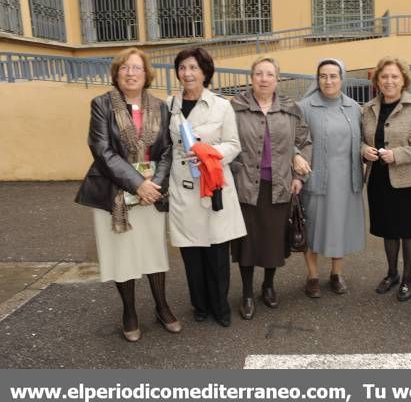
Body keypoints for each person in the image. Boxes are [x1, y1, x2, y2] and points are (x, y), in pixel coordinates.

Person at [75, 47, 180, 342]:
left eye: (136, 68)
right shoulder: (102, 105)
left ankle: (162, 306)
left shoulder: (160, 107)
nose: (131, 73)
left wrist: (154, 185)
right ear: (116, 74)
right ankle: (130, 312)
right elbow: (101, 150)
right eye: (125, 68)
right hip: (115, 191)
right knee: (122, 253)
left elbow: (169, 150)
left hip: (151, 192)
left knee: (153, 251)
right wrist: (137, 184)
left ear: (146, 75)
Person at [167, 47, 247, 328]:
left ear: (205, 73)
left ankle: (219, 305)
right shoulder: (170, 105)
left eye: (194, 68)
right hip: (183, 186)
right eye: (183, 68)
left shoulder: (221, 106)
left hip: (213, 187)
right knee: (191, 252)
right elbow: (166, 148)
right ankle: (199, 304)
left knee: (216, 252)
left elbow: (234, 145)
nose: (187, 73)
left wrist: (207, 151)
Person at [230, 56, 312, 320]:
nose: (264, 79)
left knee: (273, 241)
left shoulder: (290, 108)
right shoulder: (235, 107)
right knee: (247, 243)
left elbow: (304, 141)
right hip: (246, 186)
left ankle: (268, 285)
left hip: (279, 185)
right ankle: (246, 293)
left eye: (269, 74)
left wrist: (299, 173)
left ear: (277, 79)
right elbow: (226, 142)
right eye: (259, 74)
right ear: (251, 77)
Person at [361, 57, 411, 301]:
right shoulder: (368, 108)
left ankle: (408, 277)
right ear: (377, 81)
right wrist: (363, 149)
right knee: (388, 230)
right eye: (384, 77)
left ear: (403, 80)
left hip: (408, 178)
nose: (389, 81)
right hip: (378, 178)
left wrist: (398, 154)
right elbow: (361, 139)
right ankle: (391, 273)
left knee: (408, 230)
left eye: (394, 77)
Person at [298, 58, 365, 298]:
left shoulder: (354, 107)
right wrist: (296, 157)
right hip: (317, 177)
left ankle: (336, 273)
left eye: (333, 76)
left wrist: (366, 148)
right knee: (313, 227)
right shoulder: (305, 106)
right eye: (323, 76)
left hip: (346, 179)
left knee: (340, 226)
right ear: (317, 79)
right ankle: (313, 276)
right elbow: (293, 140)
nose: (328, 81)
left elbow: (363, 139)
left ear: (342, 78)